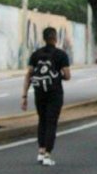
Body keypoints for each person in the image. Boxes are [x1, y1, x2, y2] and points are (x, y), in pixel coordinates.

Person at [20, 26, 71, 166]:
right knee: (51, 122)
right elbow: (67, 76)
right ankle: (48, 154)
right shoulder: (61, 55)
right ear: (55, 38)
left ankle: (40, 152)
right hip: (55, 93)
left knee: (42, 120)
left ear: (44, 38)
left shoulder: (35, 54)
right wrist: (58, 75)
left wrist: (24, 96)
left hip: (39, 93)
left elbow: (29, 75)